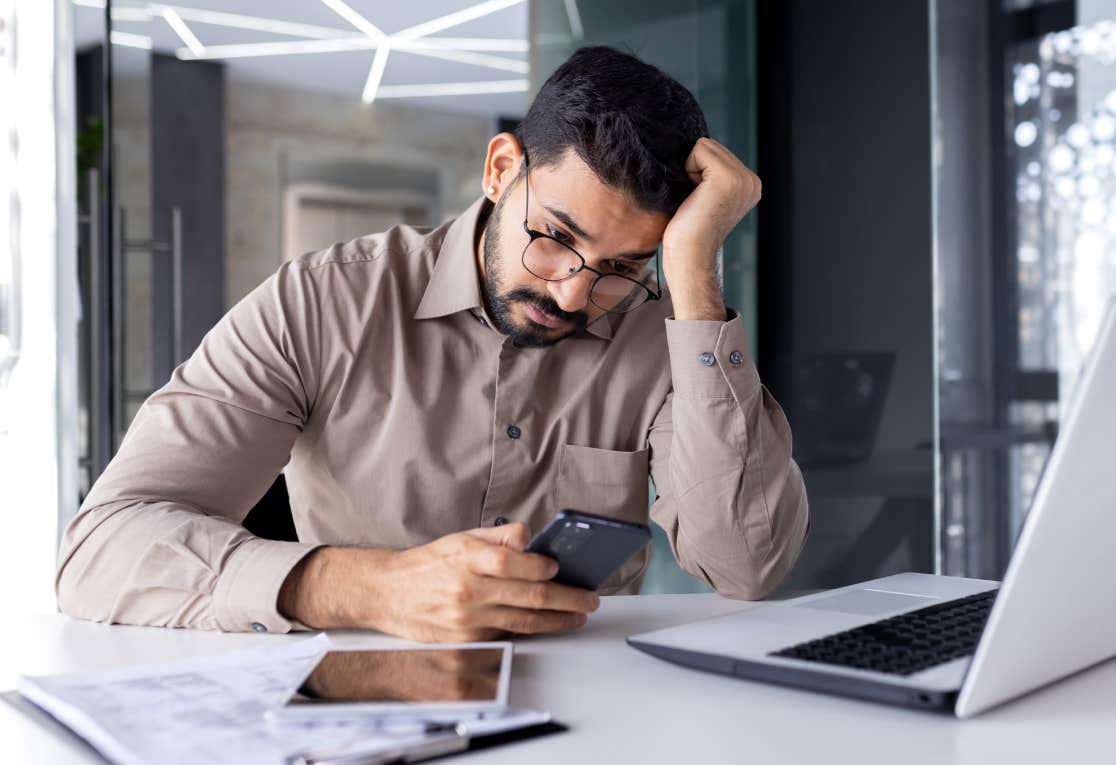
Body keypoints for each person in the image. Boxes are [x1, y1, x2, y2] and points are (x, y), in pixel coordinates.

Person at [56, 47, 809, 642]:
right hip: (357, 714)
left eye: (623, 265)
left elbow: (746, 565)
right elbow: (100, 549)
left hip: (593, 720)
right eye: (554, 238)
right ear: (500, 168)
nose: (574, 294)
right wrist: (375, 588)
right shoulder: (321, 301)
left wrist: (692, 277)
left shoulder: (660, 332)